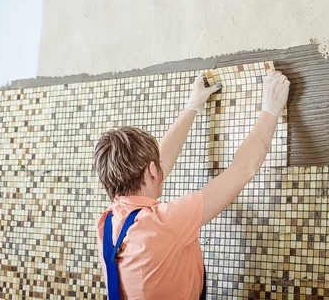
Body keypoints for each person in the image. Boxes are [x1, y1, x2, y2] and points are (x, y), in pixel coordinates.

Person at [93, 70, 290, 299]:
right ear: (152, 171)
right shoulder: (166, 222)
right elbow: (242, 170)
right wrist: (271, 108)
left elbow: (156, 166)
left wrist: (192, 106)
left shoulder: (107, 223)